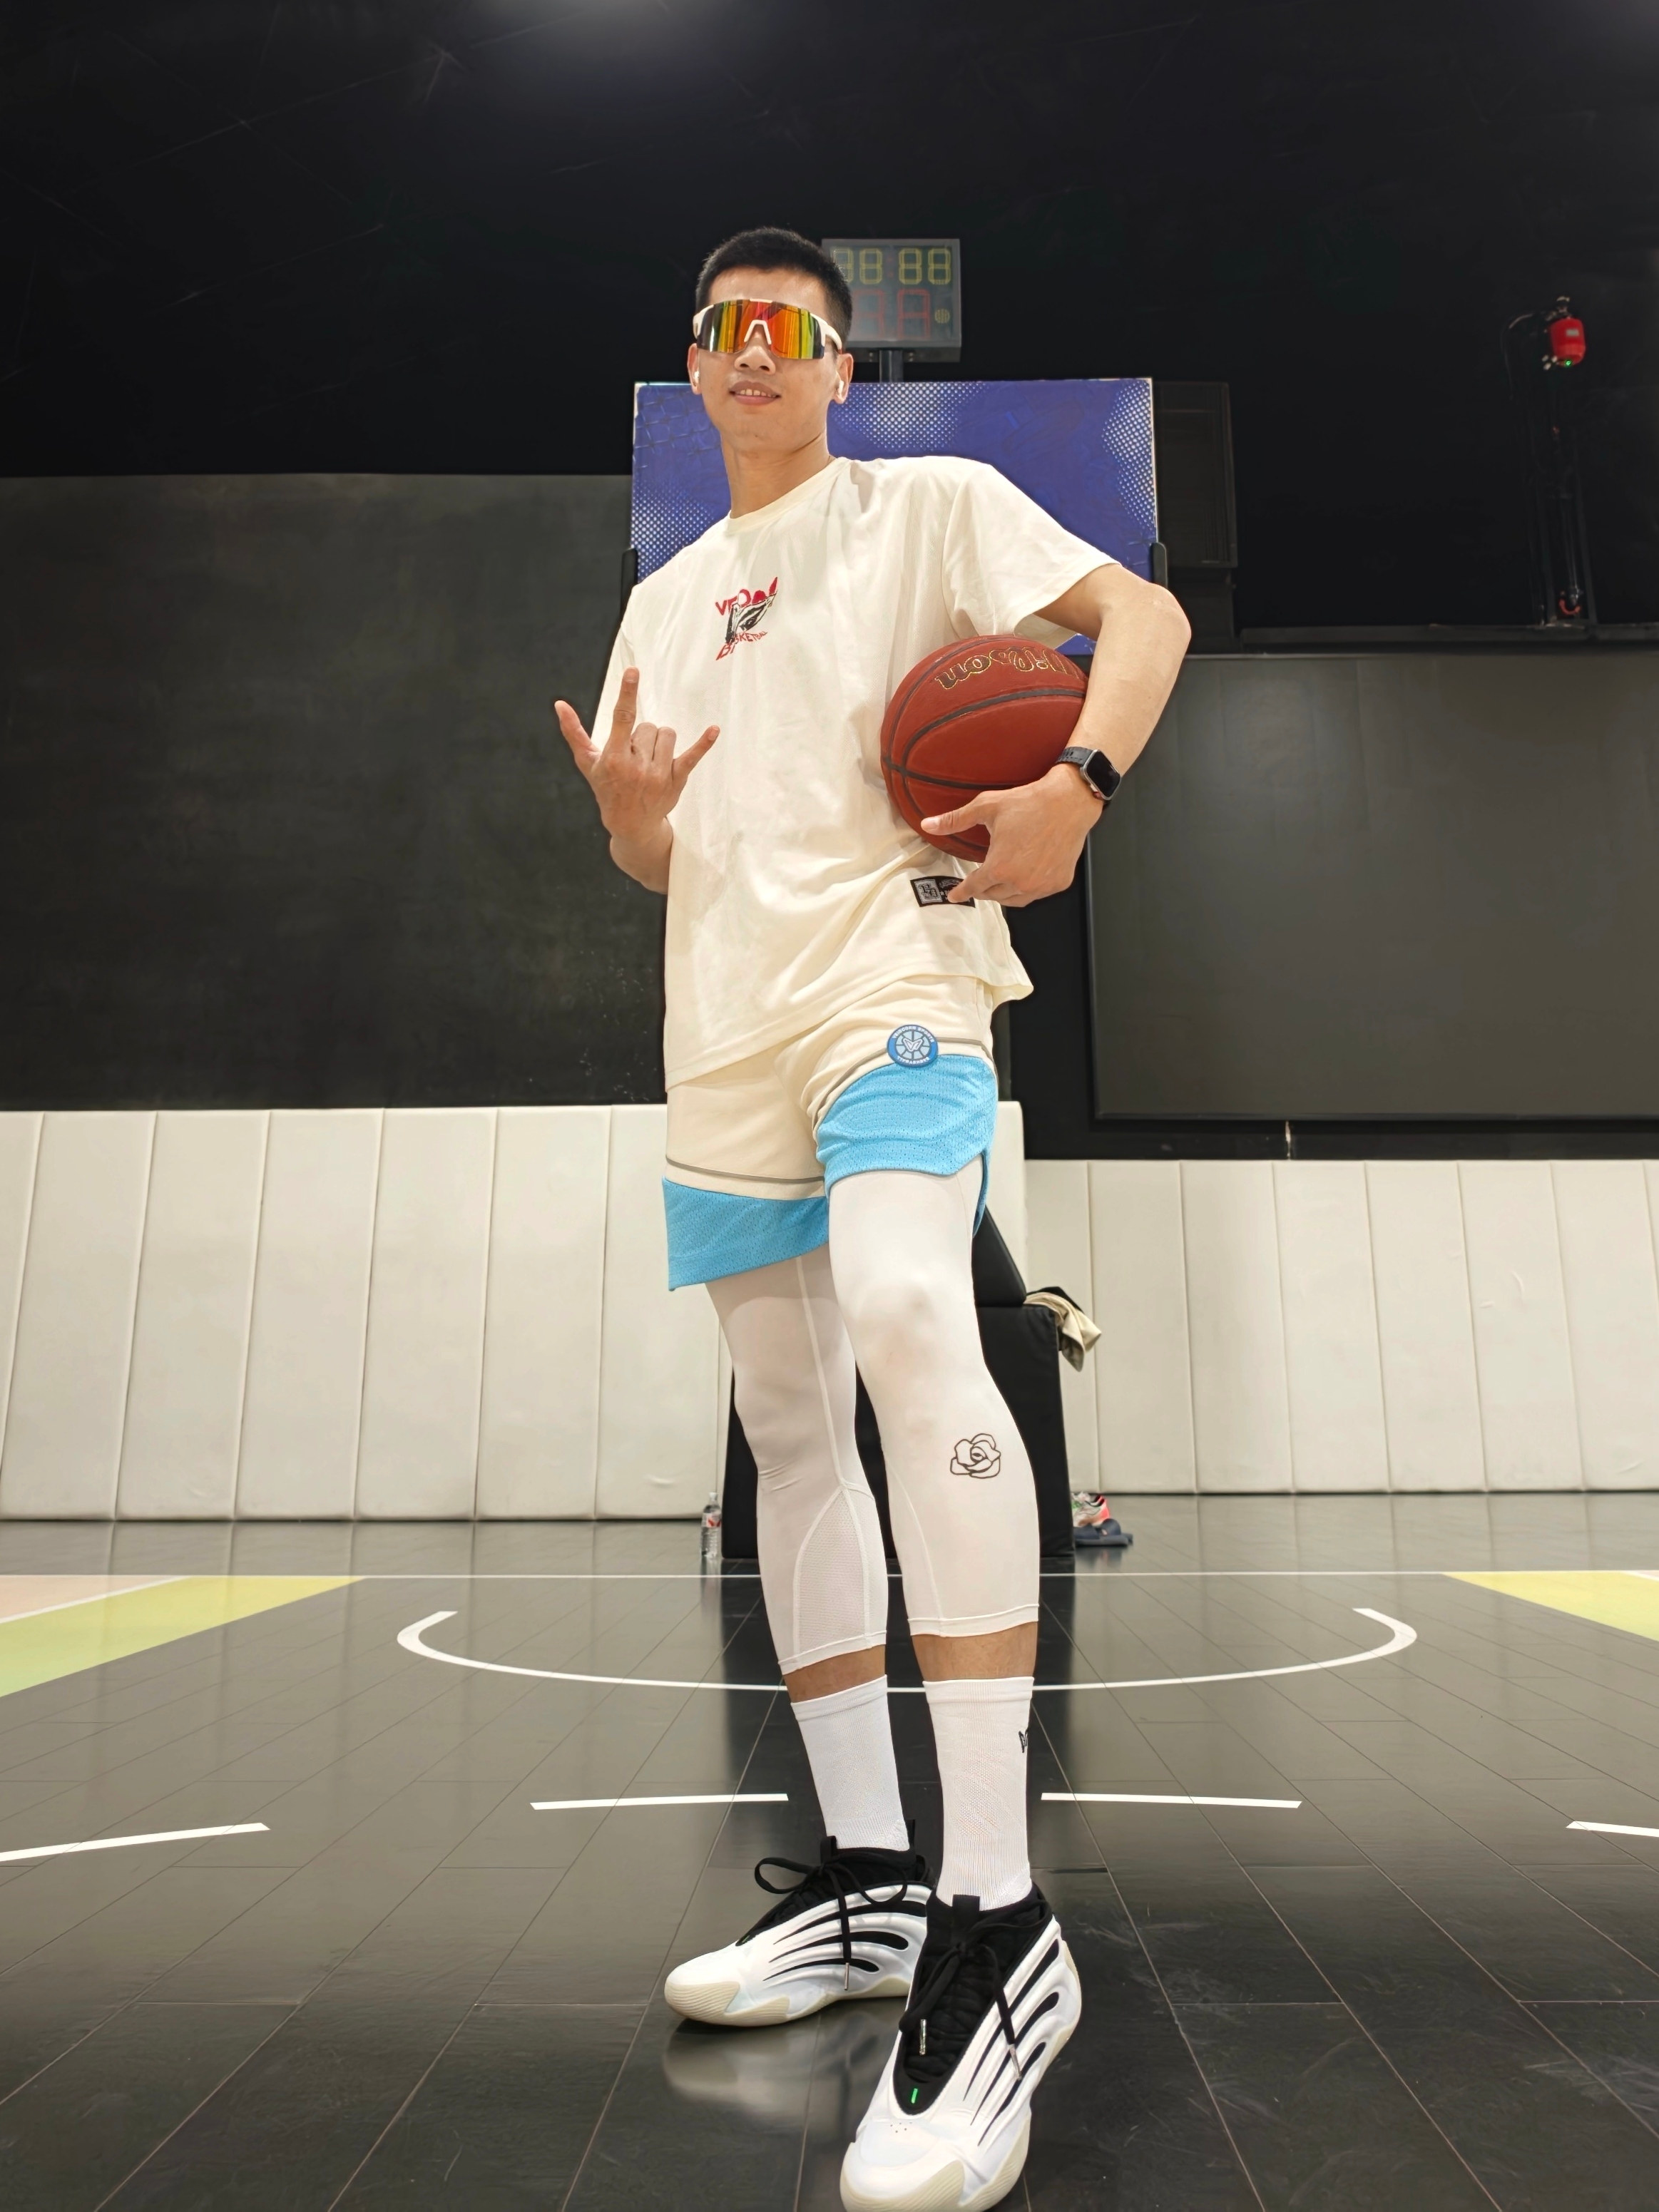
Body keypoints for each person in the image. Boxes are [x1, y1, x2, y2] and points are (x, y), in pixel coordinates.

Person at [555, 227, 1188, 2212]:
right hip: (724, 1035)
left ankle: (1001, 1923)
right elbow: (664, 850)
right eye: (722, 329)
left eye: (789, 330)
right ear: (693, 365)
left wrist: (1080, 777)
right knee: (786, 1429)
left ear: (839, 367)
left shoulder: (932, 506)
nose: (753, 353)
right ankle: (876, 1886)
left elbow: (1145, 617)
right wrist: (631, 820)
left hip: (896, 986)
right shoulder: (662, 597)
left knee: (916, 1315)